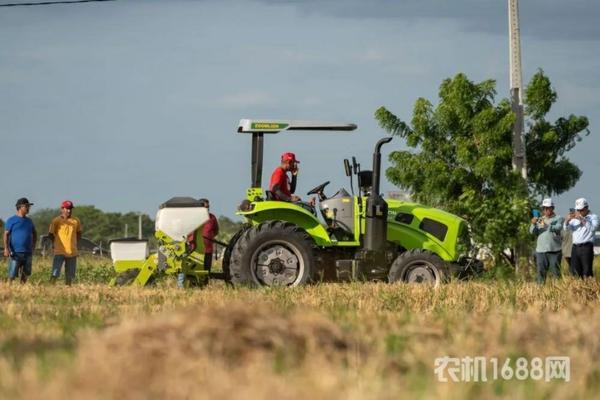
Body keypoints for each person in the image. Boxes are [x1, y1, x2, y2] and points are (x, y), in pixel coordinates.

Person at [529, 198, 563, 284]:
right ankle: (540, 292)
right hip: (541, 250)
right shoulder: (540, 219)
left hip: (554, 250)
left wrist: (546, 225)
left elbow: (558, 227)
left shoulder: (558, 218)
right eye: (544, 208)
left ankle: (559, 291)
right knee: (540, 272)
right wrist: (533, 224)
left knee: (556, 272)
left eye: (548, 207)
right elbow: (533, 232)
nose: (546, 210)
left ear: (552, 208)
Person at [3, 198, 37, 283]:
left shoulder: (29, 221)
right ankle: (8, 289)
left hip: (27, 252)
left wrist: (33, 245)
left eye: (29, 206)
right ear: (20, 207)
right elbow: (6, 234)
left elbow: (34, 233)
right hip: (15, 253)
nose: (28, 208)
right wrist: (6, 249)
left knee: (25, 274)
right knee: (12, 274)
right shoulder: (11, 220)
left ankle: (22, 290)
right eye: (26, 206)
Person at [49, 200, 82, 285]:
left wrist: (74, 243)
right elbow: (51, 234)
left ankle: (68, 288)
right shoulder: (56, 221)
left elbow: (79, 233)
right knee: (55, 271)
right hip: (59, 250)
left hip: (72, 251)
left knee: (70, 274)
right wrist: (54, 244)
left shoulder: (76, 221)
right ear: (62, 209)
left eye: (70, 209)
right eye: (67, 208)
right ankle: (51, 286)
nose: (69, 210)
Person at [564, 198, 599, 278]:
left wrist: (581, 219)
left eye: (581, 210)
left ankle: (588, 288)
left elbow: (593, 228)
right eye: (578, 210)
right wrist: (567, 221)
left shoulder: (593, 217)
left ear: (586, 207)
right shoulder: (574, 219)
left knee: (587, 272)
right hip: (575, 248)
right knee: (575, 272)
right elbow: (566, 229)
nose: (579, 212)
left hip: (586, 247)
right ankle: (578, 289)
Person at [198, 198, 219, 272]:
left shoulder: (212, 217)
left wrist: (210, 237)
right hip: (197, 250)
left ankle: (206, 282)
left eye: (208, 207)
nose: (207, 209)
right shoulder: (194, 218)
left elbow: (216, 231)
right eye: (206, 207)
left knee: (207, 269)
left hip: (208, 249)